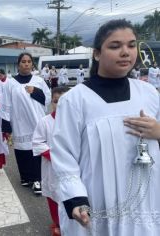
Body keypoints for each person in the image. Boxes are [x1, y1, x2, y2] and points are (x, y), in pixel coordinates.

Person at [50, 19, 160, 235]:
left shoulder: (149, 93)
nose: (126, 52)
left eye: (131, 45)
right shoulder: (75, 100)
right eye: (115, 46)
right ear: (97, 54)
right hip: (97, 200)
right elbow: (64, 154)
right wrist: (76, 198)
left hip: (146, 197)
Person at [0, 52, 51, 195]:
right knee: (22, 150)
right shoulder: (10, 83)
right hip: (19, 122)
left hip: (36, 121)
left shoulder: (38, 80)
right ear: (18, 64)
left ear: (32, 64)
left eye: (29, 61)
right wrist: (6, 125)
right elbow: (5, 104)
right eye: (23, 61)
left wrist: (35, 91)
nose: (27, 64)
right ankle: (25, 176)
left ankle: (37, 179)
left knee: (36, 150)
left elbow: (47, 100)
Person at [32, 86, 69, 236]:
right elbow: (37, 143)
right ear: (51, 103)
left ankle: (73, 224)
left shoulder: (78, 120)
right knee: (54, 196)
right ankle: (58, 223)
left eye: (64, 101)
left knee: (71, 195)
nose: (59, 105)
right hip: (52, 168)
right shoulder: (45, 122)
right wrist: (54, 156)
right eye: (55, 101)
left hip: (74, 167)